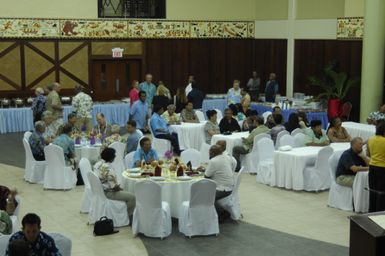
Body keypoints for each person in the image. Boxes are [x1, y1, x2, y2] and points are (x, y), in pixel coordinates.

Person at [94, 148, 136, 215]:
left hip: (101, 191)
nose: (115, 156)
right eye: (114, 155)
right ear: (111, 157)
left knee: (126, 190)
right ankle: (128, 216)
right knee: (132, 197)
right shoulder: (108, 169)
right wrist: (120, 188)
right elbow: (114, 187)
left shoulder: (98, 164)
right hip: (109, 193)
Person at [203, 145, 234, 221]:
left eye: (210, 153)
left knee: (205, 196)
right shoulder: (226, 158)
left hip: (222, 188)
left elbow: (206, 176)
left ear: (212, 153)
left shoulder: (213, 161)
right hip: (230, 186)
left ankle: (222, 213)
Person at [367, 120, 385, 212]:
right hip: (383, 169)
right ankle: (379, 212)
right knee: (381, 192)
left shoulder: (370, 139)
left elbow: (368, 154)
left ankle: (371, 211)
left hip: (372, 167)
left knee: (373, 191)